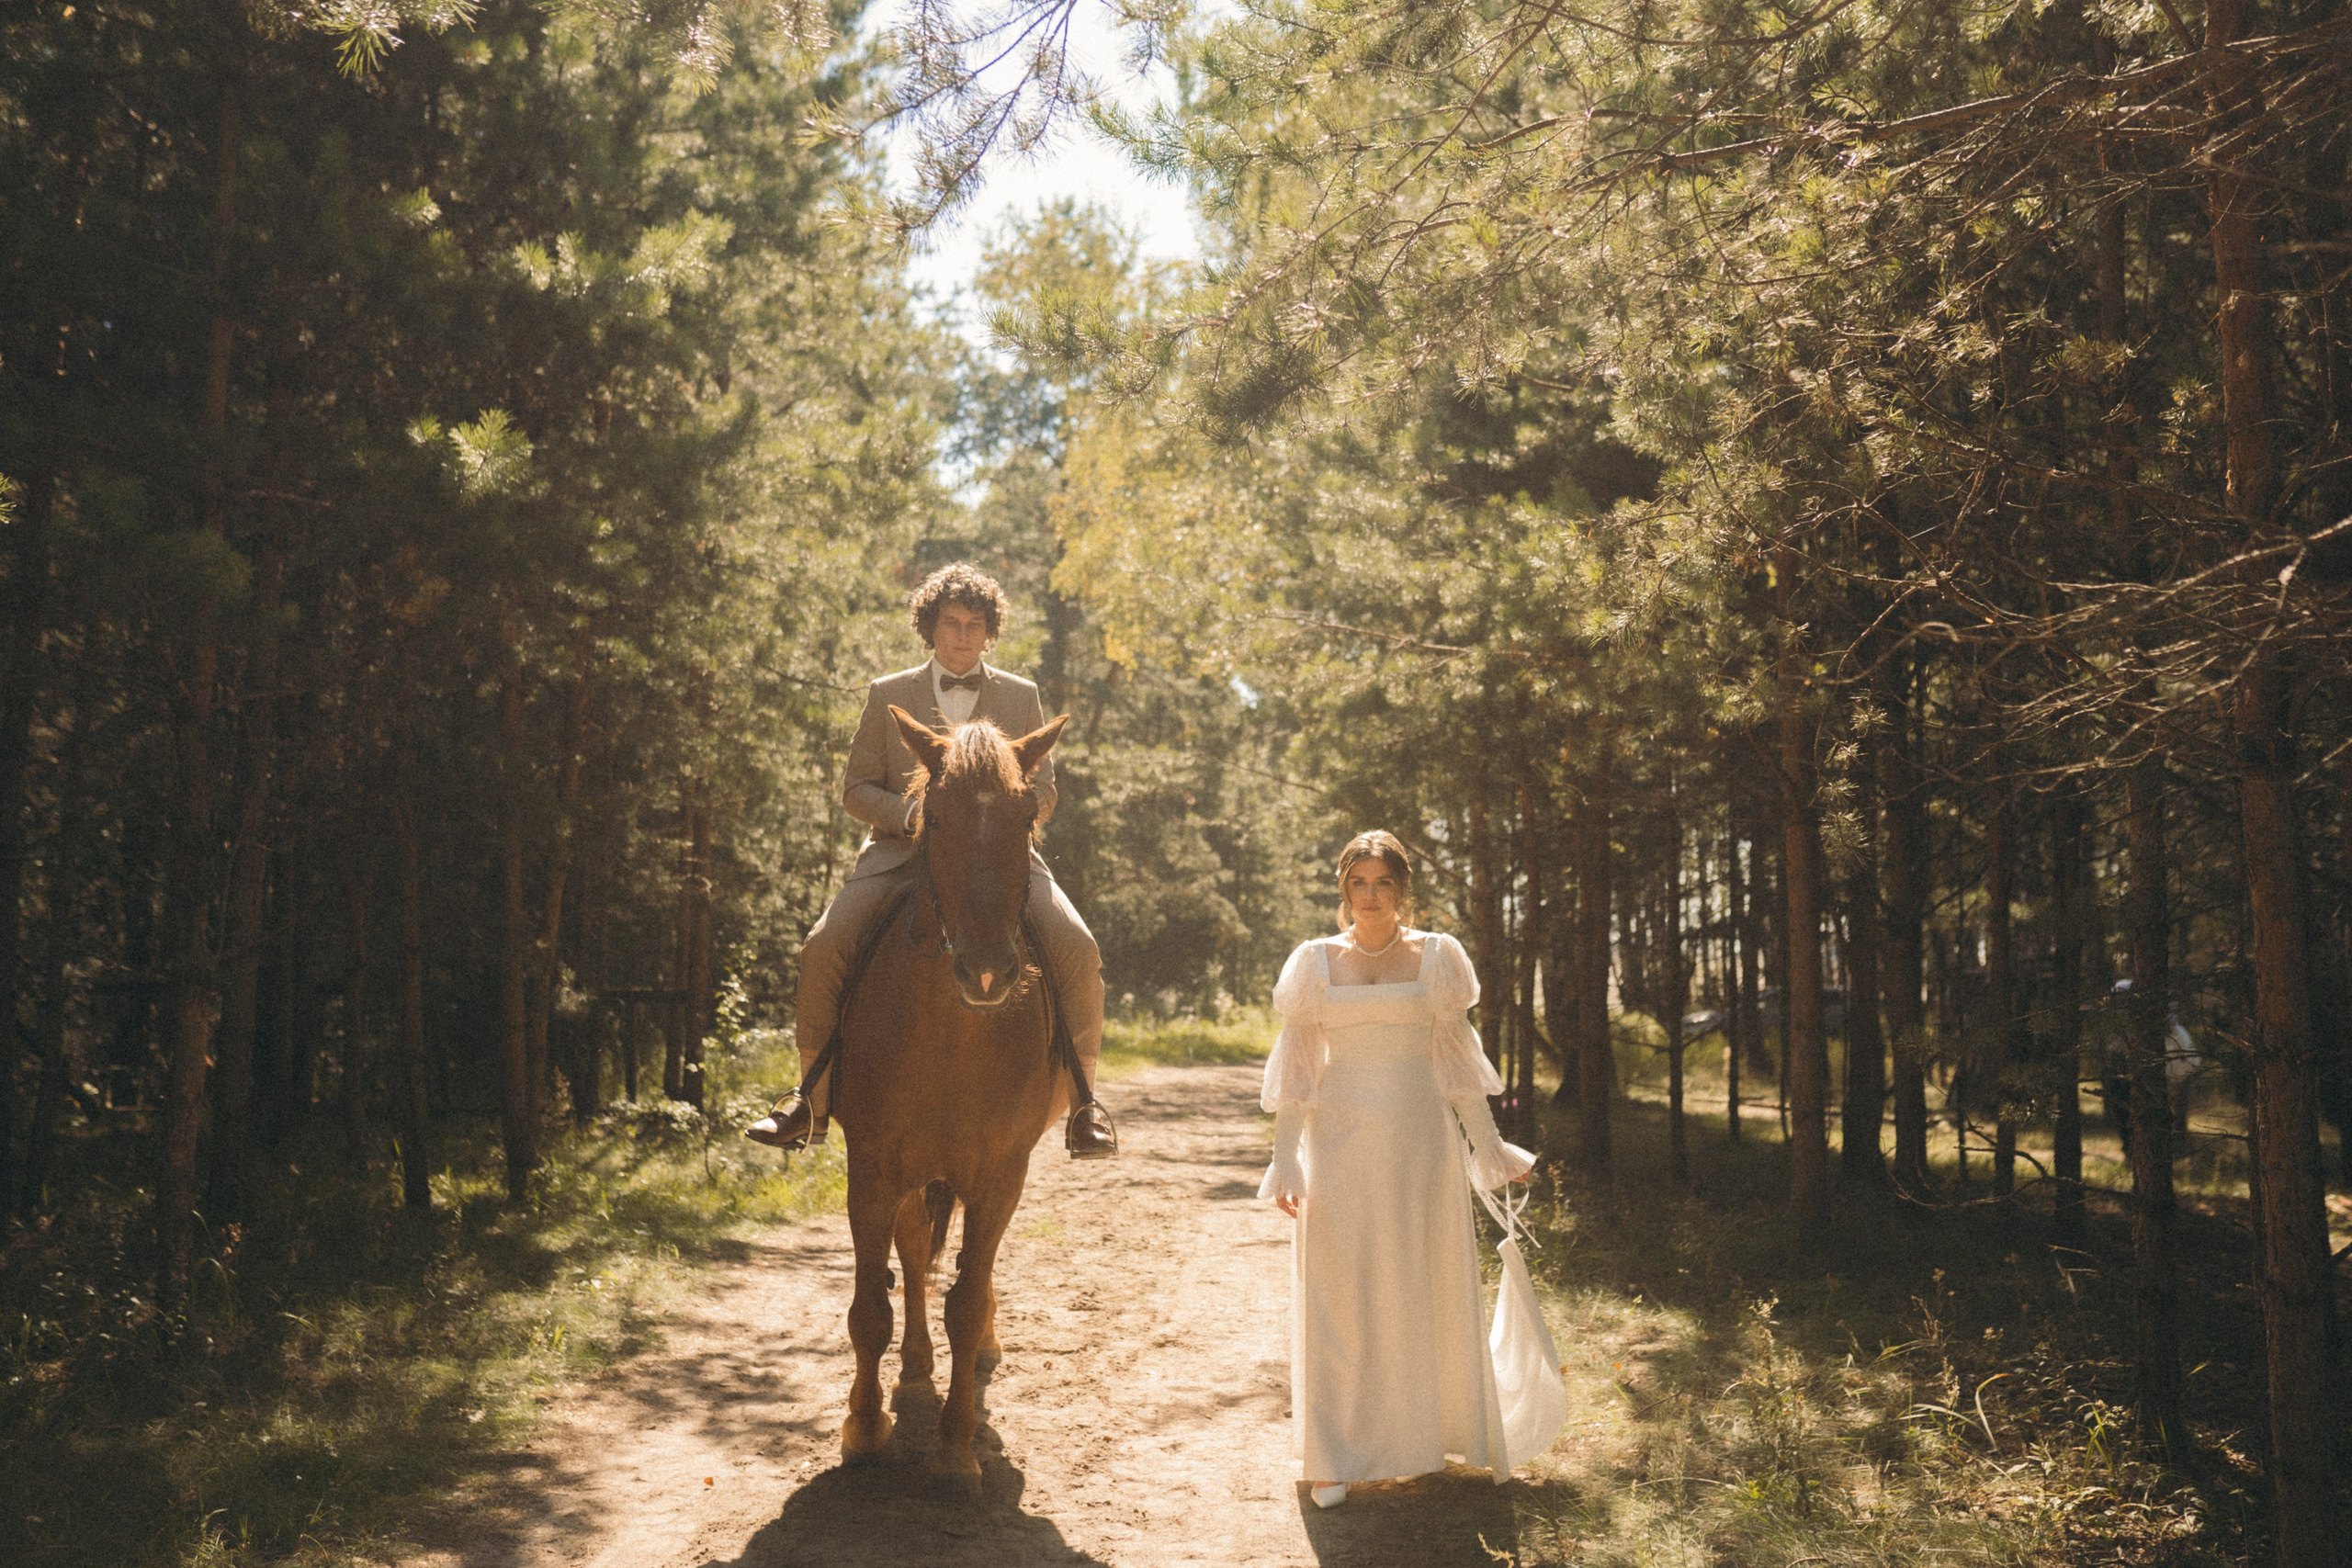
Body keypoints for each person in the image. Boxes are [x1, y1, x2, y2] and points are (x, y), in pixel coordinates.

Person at [747, 563, 1118, 1157]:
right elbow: (856, 789)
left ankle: (1084, 1105)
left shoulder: (1020, 695)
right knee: (824, 943)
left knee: (1078, 946)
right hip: (901, 852)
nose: (963, 636)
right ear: (930, 626)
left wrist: (1008, 815)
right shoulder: (888, 693)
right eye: (952, 623)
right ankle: (807, 1102)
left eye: (975, 625)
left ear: (989, 631)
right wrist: (912, 815)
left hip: (1001, 857)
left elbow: (1045, 789)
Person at [1260, 830, 1541, 1508]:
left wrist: (1490, 1148)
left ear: (1402, 889)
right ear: (1344, 890)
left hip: (1420, 1140)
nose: (1372, 895)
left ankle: (1418, 1438)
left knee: (1418, 1289)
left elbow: (1457, 1067)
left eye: (1384, 882)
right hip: (1339, 1141)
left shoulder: (1439, 958)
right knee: (1340, 1293)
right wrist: (1284, 1159)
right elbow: (1299, 1070)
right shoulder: (1314, 963)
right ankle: (1333, 1456)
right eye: (1360, 882)